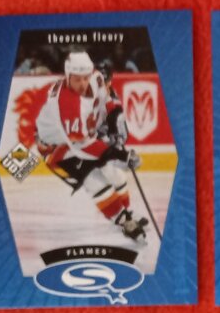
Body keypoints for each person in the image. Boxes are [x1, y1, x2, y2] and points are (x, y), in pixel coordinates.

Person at [33, 50, 148, 242]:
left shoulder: (96, 77)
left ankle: (128, 212)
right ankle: (124, 221)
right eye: (77, 79)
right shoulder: (67, 105)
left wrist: (114, 115)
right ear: (67, 76)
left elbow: (107, 99)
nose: (82, 83)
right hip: (56, 147)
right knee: (95, 181)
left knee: (115, 173)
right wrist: (120, 155)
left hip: (81, 136)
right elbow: (83, 146)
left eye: (85, 78)